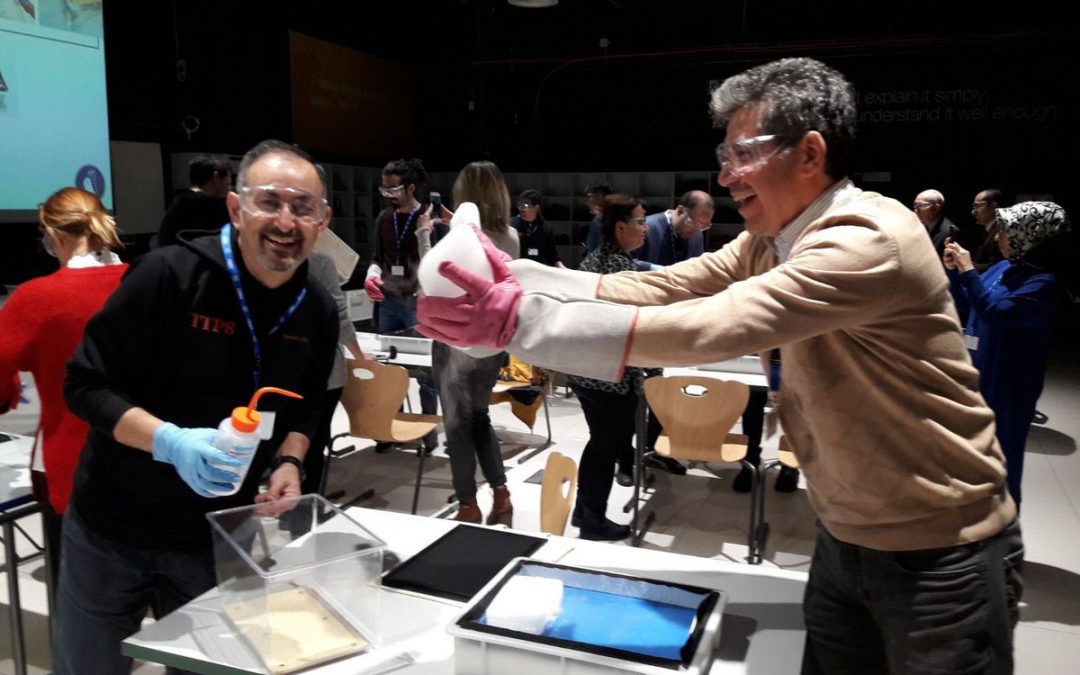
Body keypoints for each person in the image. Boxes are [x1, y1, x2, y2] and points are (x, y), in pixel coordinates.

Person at [418, 57, 1021, 674]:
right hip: (846, 535)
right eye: (723, 153)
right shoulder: (773, 237)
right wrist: (520, 280)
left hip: (944, 550)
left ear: (810, 153)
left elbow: (713, 325)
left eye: (740, 153)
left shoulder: (866, 237)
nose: (725, 175)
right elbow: (671, 287)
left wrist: (516, 322)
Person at [56, 139, 339, 674]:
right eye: (270, 202)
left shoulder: (316, 309)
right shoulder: (166, 276)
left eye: (303, 208)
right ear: (236, 207)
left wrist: (290, 460)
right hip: (112, 529)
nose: (286, 220)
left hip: (220, 538)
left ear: (321, 221)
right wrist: (169, 441)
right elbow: (85, 384)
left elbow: (310, 404)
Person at [0, 187, 127, 595]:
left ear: (54, 236)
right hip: (155, 462)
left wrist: (9, 391)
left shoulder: (38, 297)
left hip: (71, 469)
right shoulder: (150, 281)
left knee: (81, 610)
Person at [944, 201, 1068, 506]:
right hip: (979, 372)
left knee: (1003, 458)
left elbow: (995, 312)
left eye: (1007, 231)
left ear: (1031, 235)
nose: (999, 236)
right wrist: (957, 273)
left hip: (1010, 382)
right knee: (975, 454)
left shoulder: (1043, 284)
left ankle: (1003, 531)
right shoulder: (1004, 267)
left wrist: (969, 270)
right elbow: (970, 302)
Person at [424, 161, 519, 525]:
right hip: (493, 342)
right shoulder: (510, 235)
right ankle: (500, 492)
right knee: (478, 417)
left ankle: (467, 503)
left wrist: (426, 234)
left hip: (454, 342)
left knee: (457, 425)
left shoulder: (455, 237)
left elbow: (432, 281)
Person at [567, 194, 659, 541]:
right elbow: (632, 328)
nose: (644, 228)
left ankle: (584, 510)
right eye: (639, 222)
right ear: (620, 227)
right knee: (606, 448)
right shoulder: (621, 268)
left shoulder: (594, 260)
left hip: (587, 372)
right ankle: (592, 521)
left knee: (599, 444)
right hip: (611, 378)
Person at [364, 158, 440, 452]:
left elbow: (436, 262)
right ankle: (389, 426)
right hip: (388, 300)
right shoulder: (384, 219)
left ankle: (428, 428)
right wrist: (372, 275)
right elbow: (376, 256)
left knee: (425, 372)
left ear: (410, 187)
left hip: (416, 302)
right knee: (388, 369)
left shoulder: (429, 218)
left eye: (393, 189)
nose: (388, 194)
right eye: (384, 189)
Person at [301, 252, 370, 496]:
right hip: (320, 368)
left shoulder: (259, 258)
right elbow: (337, 312)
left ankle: (290, 504)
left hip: (281, 369)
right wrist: (359, 355)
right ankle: (305, 508)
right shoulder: (319, 261)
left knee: (285, 437)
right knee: (315, 439)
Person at [155, 154, 232, 248]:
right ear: (215, 177)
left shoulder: (182, 199)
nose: (229, 189)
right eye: (228, 183)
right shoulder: (209, 203)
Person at [634, 190, 714, 267]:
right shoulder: (646, 228)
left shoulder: (697, 234)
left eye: (703, 226)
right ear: (680, 211)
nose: (696, 230)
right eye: (692, 222)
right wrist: (650, 267)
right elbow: (626, 262)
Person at [511, 189, 563, 267]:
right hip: (519, 268)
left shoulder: (546, 227)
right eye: (520, 205)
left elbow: (553, 256)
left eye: (525, 205)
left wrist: (563, 268)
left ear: (536, 207)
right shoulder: (513, 225)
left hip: (539, 269)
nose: (521, 209)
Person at [913, 188, 960, 256]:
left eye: (922, 205)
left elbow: (951, 264)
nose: (916, 209)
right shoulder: (920, 226)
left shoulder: (950, 232)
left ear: (936, 208)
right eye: (915, 204)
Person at [971, 188, 1008, 272]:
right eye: (974, 206)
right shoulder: (991, 229)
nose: (973, 212)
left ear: (994, 207)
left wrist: (967, 266)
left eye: (978, 206)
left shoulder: (1001, 232)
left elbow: (999, 267)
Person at [582, 181, 613, 255]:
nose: (586, 202)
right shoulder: (615, 218)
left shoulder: (597, 221)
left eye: (589, 196)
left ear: (600, 197)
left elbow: (593, 253)